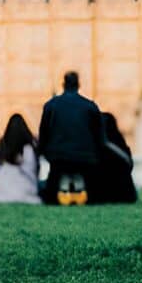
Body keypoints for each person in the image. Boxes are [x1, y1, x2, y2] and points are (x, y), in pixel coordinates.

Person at [37, 71, 103, 205]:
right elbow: (99, 136)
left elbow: (43, 134)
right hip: (85, 157)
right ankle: (81, 192)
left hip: (58, 157)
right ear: (78, 85)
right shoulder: (90, 106)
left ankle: (61, 192)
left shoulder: (51, 105)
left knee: (54, 185)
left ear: (63, 84)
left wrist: (43, 152)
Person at [0, 114, 41, 204]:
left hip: (2, 191)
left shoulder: (2, 147)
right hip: (26, 190)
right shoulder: (29, 148)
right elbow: (33, 170)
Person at [97, 112, 138, 203]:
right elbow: (130, 164)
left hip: (104, 195)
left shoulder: (96, 147)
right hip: (126, 195)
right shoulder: (119, 143)